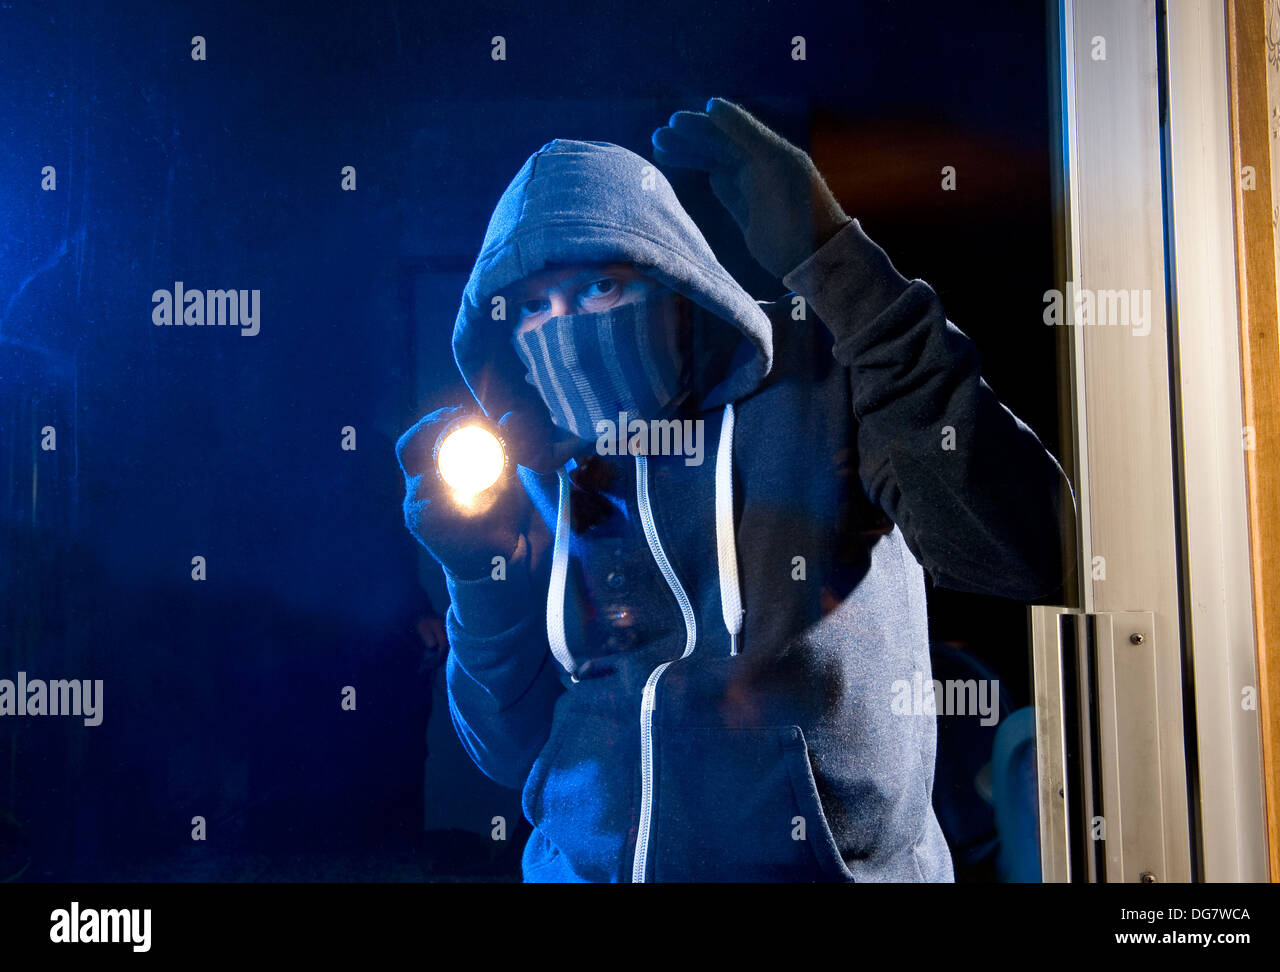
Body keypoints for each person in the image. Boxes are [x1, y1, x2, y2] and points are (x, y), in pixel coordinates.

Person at [396, 97, 1074, 882]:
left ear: (672, 279)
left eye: (599, 289)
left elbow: (1028, 550)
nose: (565, 328)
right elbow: (505, 751)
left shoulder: (821, 387)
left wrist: (839, 263)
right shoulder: (532, 475)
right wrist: (479, 578)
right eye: (533, 309)